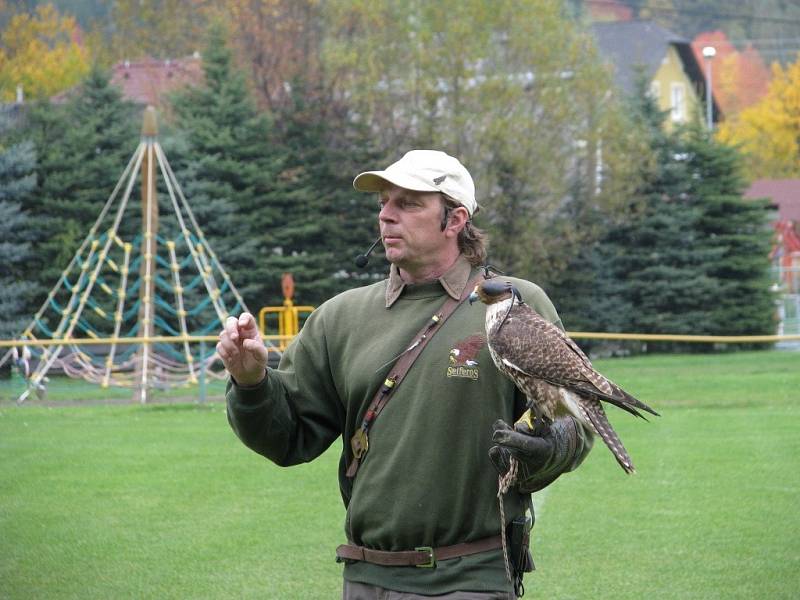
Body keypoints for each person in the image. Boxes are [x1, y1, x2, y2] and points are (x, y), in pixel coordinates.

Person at [218, 150, 593, 599]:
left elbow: (576, 422)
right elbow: (288, 438)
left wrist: (548, 448)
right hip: (366, 578)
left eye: (408, 203)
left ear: (454, 220)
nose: (386, 216)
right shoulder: (340, 318)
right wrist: (252, 383)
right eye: (383, 203)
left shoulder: (514, 303)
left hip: (471, 578)